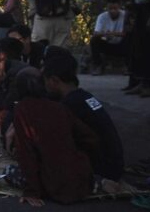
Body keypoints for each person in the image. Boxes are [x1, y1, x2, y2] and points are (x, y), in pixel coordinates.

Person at [13, 71, 99, 206]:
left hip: (51, 182)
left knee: (9, 172)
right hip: (80, 180)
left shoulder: (22, 108)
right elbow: (89, 137)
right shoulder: (59, 106)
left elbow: (26, 152)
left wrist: (32, 191)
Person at [41, 46, 124, 185]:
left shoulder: (71, 104)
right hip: (113, 163)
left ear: (54, 80)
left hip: (104, 168)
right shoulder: (83, 97)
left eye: (46, 81)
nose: (45, 86)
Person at [90, 0, 127, 75]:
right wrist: (105, 35)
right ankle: (98, 66)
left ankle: (128, 66)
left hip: (122, 45)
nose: (112, 11)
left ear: (119, 7)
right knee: (94, 40)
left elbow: (127, 33)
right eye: (110, 8)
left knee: (131, 39)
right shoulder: (102, 17)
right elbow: (96, 33)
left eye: (115, 8)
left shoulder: (125, 15)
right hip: (107, 43)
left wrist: (112, 33)